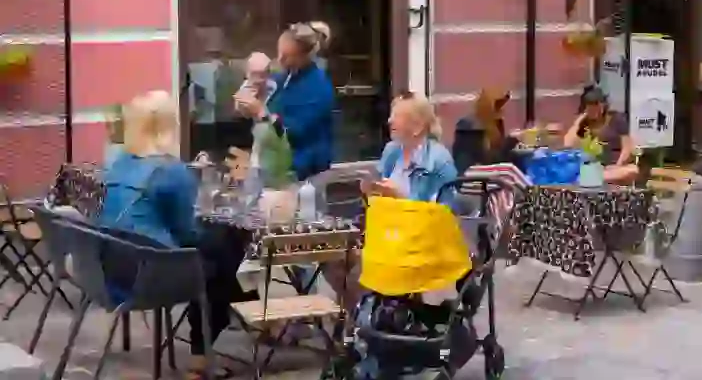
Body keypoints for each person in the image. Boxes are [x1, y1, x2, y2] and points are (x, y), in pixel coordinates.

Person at [97, 91, 244, 379]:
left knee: (220, 250)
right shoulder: (172, 171)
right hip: (151, 275)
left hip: (110, 269)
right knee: (225, 251)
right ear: (167, 126)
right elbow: (187, 234)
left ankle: (236, 302)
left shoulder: (118, 163)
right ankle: (202, 356)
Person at [325, 94, 458, 310]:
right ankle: (362, 314)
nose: (389, 121)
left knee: (360, 272)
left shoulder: (439, 162)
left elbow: (441, 221)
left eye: (396, 116)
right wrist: (369, 191)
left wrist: (401, 197)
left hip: (417, 246)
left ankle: (367, 321)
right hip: (384, 236)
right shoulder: (392, 151)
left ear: (416, 127)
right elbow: (376, 199)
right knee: (330, 256)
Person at [235, 22, 335, 181]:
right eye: (279, 52)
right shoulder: (284, 76)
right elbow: (259, 98)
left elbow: (289, 133)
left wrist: (261, 113)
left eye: (287, 56)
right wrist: (249, 87)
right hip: (270, 167)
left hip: (302, 174)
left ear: (305, 56)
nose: (280, 59)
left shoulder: (318, 88)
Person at [563, 86, 638, 185]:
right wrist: (579, 121)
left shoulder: (616, 119)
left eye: (597, 105)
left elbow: (627, 148)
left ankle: (595, 178)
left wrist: (618, 165)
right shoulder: (585, 123)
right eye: (590, 106)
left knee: (633, 170)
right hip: (592, 166)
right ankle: (594, 178)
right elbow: (567, 144)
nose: (594, 110)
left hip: (614, 167)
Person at [452, 88, 517, 172]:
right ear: (488, 107)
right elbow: (488, 160)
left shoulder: (493, 124)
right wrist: (509, 142)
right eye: (497, 106)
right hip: (475, 178)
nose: (501, 111)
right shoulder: (470, 129)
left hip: (492, 174)